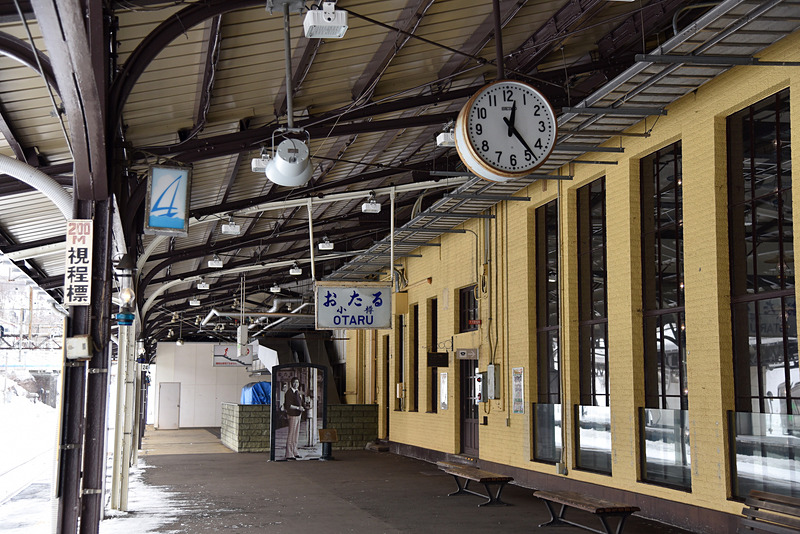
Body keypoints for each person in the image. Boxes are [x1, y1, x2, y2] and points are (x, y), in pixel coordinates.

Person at [284, 377, 304, 459]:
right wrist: (298, 408)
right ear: (292, 383)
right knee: (291, 434)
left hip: (298, 415)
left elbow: (299, 402)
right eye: (295, 382)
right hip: (292, 415)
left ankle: (295, 451)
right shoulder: (289, 393)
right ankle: (289, 454)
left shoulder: (297, 392)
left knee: (296, 434)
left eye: (298, 382)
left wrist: (301, 407)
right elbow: (288, 405)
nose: (296, 384)